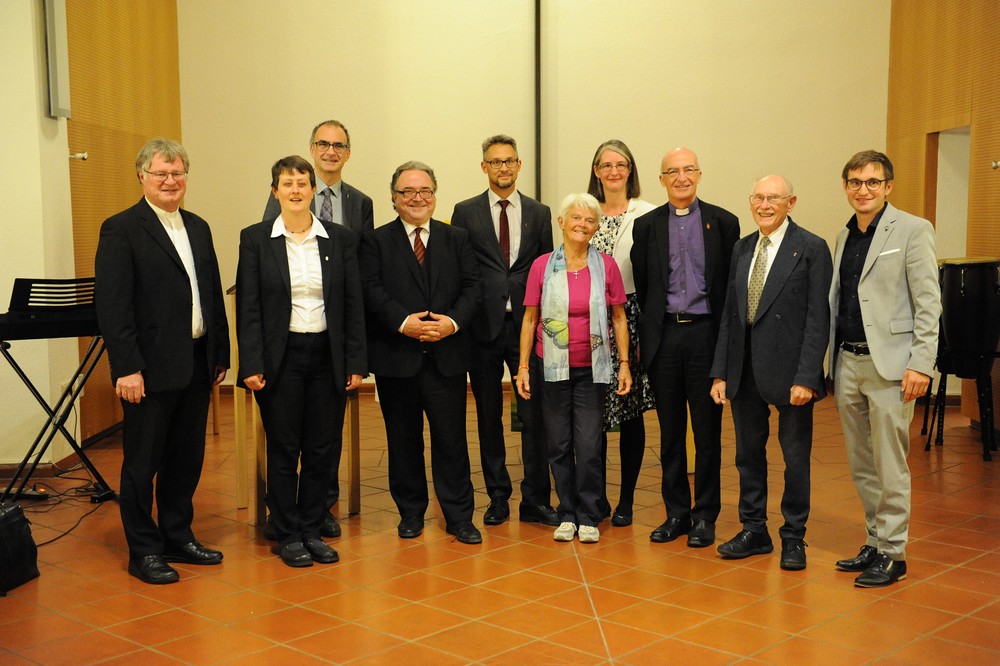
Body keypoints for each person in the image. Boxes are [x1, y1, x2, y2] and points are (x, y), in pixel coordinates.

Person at [95, 138, 229, 585]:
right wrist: (125, 367)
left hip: (194, 361)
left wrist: (220, 352)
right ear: (142, 177)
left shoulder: (199, 226)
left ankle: (177, 535)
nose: (170, 181)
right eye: (161, 174)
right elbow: (113, 308)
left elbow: (211, 294)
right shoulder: (121, 228)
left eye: (177, 173)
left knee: (186, 458)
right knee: (142, 463)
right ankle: (144, 551)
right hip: (147, 370)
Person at [236, 156, 367, 568]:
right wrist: (251, 362)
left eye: (302, 183)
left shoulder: (340, 239)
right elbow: (250, 308)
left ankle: (312, 528)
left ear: (314, 190)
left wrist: (355, 362)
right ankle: (287, 531)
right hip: (281, 359)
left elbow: (352, 305)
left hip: (328, 356)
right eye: (286, 183)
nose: (295, 190)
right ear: (275, 191)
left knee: (321, 450)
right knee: (283, 448)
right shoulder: (256, 238)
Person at [829, 150, 940, 587]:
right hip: (848, 361)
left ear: (888, 186)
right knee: (861, 463)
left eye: (873, 182)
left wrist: (921, 364)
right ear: (846, 187)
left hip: (893, 366)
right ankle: (875, 540)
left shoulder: (913, 229)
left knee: (891, 463)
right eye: (855, 182)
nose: (863, 190)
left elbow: (929, 302)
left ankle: (894, 552)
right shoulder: (843, 235)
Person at [709, 175, 833, 570]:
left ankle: (794, 537)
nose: (765, 205)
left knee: (795, 458)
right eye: (759, 198)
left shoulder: (811, 248)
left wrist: (808, 377)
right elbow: (731, 314)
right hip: (744, 372)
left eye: (773, 198)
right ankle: (754, 530)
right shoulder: (743, 248)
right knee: (748, 455)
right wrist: (721, 372)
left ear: (790, 203)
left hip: (791, 374)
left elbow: (818, 318)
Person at [360, 161, 484, 544]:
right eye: (408, 192)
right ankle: (411, 513)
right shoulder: (375, 241)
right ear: (394, 198)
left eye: (425, 191)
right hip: (397, 357)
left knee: (451, 440)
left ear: (435, 195)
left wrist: (450, 323)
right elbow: (371, 290)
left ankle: (459, 516)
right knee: (403, 440)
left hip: (446, 357)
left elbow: (473, 287)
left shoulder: (457, 238)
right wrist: (403, 322)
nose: (417, 198)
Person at [260, 120, 373, 539]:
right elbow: (262, 278)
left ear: (347, 152)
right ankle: (286, 520)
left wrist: (355, 354)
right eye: (322, 144)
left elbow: (356, 283)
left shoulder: (358, 207)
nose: (330, 150)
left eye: (338, 144)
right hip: (285, 344)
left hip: (331, 342)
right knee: (287, 441)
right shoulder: (271, 220)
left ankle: (316, 513)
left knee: (324, 440)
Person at [631, 147, 739, 548]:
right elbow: (645, 285)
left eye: (688, 170)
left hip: (706, 336)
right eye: (672, 172)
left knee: (707, 433)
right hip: (665, 338)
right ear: (661, 179)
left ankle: (706, 515)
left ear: (699, 174)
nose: (681, 178)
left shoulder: (723, 222)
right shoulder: (647, 226)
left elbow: (729, 287)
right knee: (671, 432)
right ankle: (677, 512)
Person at [451, 135, 557, 528]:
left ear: (519, 164)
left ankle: (536, 498)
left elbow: (546, 270)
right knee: (488, 415)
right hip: (481, 327)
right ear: (484, 167)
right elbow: (461, 269)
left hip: (528, 326)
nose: (503, 168)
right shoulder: (465, 212)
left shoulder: (539, 212)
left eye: (510, 161)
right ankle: (498, 495)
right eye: (495, 162)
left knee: (534, 414)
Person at [516, 193, 632, 544]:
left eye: (589, 220)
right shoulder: (541, 266)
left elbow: (619, 318)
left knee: (589, 442)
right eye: (575, 218)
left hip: (592, 370)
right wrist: (522, 366)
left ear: (596, 226)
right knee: (559, 443)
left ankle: (589, 512)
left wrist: (624, 364)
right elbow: (529, 317)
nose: (582, 224)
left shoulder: (607, 266)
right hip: (550, 368)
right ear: (561, 222)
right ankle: (566, 512)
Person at [586, 139, 657, 527]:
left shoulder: (648, 213)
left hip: (631, 317)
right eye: (605, 165)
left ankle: (626, 498)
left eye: (621, 164)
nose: (613, 171)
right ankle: (595, 497)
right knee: (592, 410)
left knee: (629, 411)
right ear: (596, 171)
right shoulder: (584, 210)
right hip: (590, 321)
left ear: (631, 170)